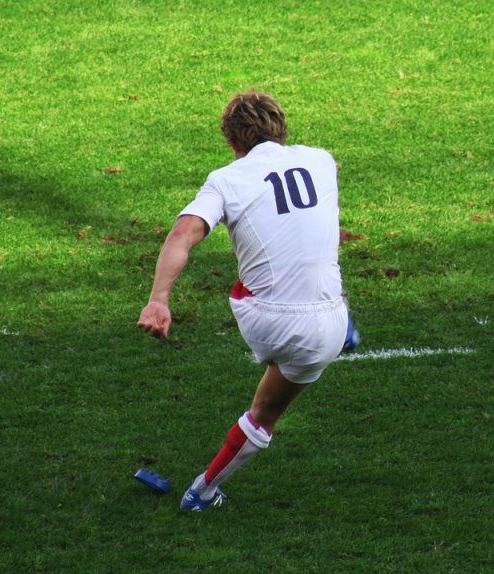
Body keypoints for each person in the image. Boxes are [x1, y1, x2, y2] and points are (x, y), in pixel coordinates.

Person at [137, 91, 357, 511]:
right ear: (283, 128)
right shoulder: (322, 161)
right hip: (325, 327)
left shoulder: (226, 179)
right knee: (264, 414)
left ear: (232, 143)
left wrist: (158, 300)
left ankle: (204, 493)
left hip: (266, 322)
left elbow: (183, 235)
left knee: (251, 282)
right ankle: (201, 492)